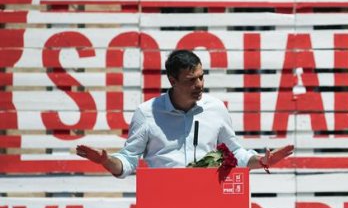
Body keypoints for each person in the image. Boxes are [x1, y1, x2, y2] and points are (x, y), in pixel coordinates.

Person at [76, 49, 294, 177]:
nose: (199, 84)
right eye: (191, 80)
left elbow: (235, 154)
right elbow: (128, 161)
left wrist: (263, 160)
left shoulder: (216, 109)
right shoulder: (147, 113)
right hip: (164, 201)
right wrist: (105, 161)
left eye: (201, 77)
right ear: (172, 81)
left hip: (209, 199)